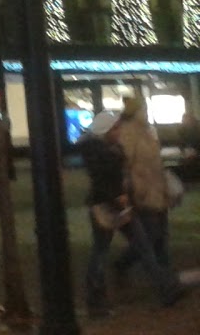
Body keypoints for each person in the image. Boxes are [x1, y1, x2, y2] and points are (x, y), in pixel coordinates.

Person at [80, 108, 181, 315]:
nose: (119, 131)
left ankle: (165, 288)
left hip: (119, 205)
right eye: (115, 128)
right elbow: (102, 181)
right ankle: (95, 297)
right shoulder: (98, 151)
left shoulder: (109, 148)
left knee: (141, 246)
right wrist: (117, 196)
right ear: (105, 131)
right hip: (106, 206)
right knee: (103, 252)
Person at [112, 95, 182, 285]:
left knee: (161, 237)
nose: (146, 112)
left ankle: (166, 279)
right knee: (150, 236)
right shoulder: (128, 133)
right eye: (143, 109)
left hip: (157, 190)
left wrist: (165, 188)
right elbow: (124, 165)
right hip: (142, 192)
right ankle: (123, 264)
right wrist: (134, 189)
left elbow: (156, 163)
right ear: (136, 112)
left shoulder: (147, 131)